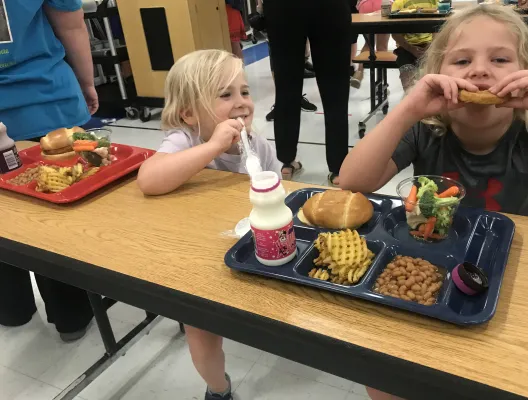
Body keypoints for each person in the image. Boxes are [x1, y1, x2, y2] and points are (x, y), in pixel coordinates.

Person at [339, 8, 528, 396]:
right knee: (381, 378)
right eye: (462, 61)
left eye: (499, 59)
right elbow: (351, 182)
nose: (479, 71)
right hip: (425, 273)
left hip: (503, 285)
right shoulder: (427, 130)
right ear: (437, 72)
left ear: (526, 72)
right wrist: (409, 108)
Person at [137, 49, 281, 400]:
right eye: (225, 94)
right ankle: (219, 388)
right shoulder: (186, 139)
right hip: (195, 257)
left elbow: (281, 190)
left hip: (245, 247)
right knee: (200, 331)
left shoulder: (257, 145)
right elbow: (149, 179)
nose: (242, 103)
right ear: (188, 113)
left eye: (245, 92)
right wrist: (214, 147)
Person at [0, 0, 96, 342]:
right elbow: (70, 25)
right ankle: (71, 315)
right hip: (44, 100)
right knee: (54, 216)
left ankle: (11, 308)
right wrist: (87, 82)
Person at [264, 0, 351, 185]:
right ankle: (338, 169)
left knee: (286, 86)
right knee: (335, 90)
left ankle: (286, 162)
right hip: (330, 8)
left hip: (283, 8)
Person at [391, 0, 438, 91]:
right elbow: (395, 33)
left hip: (429, 45)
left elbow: (438, 28)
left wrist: (431, 46)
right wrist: (411, 49)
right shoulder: (399, 3)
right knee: (406, 70)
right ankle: (409, 96)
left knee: (439, 64)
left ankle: (432, 96)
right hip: (406, 47)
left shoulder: (433, 2)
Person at [350, 0, 391, 89]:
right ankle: (381, 84)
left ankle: (359, 73)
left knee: (368, 44)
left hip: (365, 5)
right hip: (383, 4)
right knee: (382, 47)